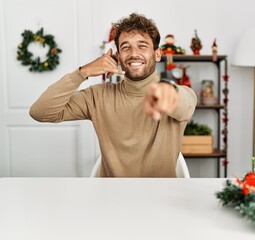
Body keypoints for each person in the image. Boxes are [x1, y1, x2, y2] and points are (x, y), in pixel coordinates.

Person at [29, 13, 197, 177]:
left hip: (162, 198)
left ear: (157, 54)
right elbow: (40, 112)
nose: (134, 53)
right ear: (118, 56)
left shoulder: (183, 94)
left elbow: (181, 102)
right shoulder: (98, 96)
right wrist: (82, 72)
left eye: (142, 46)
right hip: (110, 197)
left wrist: (165, 94)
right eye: (126, 47)